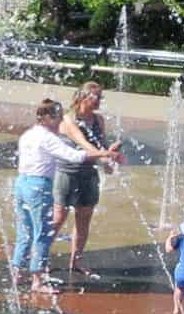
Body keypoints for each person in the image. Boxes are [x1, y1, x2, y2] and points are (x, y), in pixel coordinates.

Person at [13, 99, 119, 294]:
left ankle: (17, 272)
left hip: (21, 184)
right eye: (58, 117)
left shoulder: (28, 135)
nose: (61, 121)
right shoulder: (47, 138)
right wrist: (105, 153)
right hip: (39, 186)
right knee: (43, 233)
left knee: (25, 230)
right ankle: (38, 281)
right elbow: (73, 156)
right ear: (47, 118)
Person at [51, 82, 119, 276]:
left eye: (101, 97)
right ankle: (40, 257)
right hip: (67, 173)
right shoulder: (68, 119)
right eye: (96, 97)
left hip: (88, 174)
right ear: (83, 97)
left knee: (84, 219)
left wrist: (108, 159)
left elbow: (100, 143)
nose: (99, 101)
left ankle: (76, 260)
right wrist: (105, 154)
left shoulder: (98, 120)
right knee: (58, 218)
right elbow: (84, 143)